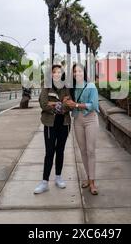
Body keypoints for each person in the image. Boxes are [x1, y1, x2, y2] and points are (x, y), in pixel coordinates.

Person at [34, 65, 72, 195]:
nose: (56, 74)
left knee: (60, 151)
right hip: (50, 124)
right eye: (54, 72)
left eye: (59, 72)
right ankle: (44, 182)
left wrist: (54, 103)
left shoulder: (66, 87)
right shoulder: (46, 86)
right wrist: (60, 103)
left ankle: (58, 177)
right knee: (49, 152)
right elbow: (43, 104)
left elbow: (70, 105)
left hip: (64, 123)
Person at [64, 64, 100, 195]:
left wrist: (76, 104)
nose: (77, 73)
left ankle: (92, 182)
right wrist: (66, 101)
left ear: (83, 72)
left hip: (90, 119)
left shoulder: (91, 86)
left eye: (79, 71)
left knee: (91, 151)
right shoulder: (72, 88)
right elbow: (69, 103)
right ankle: (88, 177)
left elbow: (94, 105)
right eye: (74, 72)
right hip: (77, 120)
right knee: (83, 151)